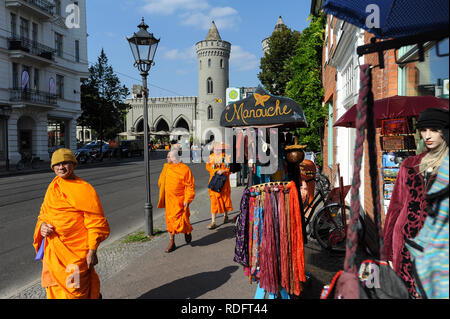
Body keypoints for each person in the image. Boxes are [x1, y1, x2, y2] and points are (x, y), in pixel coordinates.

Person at [383, 108, 449, 298]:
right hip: (404, 247)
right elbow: (395, 207)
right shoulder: (409, 164)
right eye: (424, 130)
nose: (427, 136)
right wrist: (387, 251)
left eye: (434, 130)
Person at [33, 148, 110, 299]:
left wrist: (92, 250)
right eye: (57, 164)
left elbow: (95, 222)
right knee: (55, 288)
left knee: (76, 292)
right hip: (54, 251)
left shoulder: (84, 188)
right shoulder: (53, 186)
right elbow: (44, 214)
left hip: (76, 253)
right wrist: (42, 227)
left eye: (65, 163)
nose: (61, 167)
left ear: (73, 165)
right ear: (53, 167)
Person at [158, 148, 195, 253]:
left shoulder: (184, 169)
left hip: (180, 201)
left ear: (175, 158)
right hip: (169, 200)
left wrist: (187, 199)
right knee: (169, 221)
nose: (167, 158)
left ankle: (187, 231)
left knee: (183, 220)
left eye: (168, 156)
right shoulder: (166, 168)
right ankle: (172, 242)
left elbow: (190, 186)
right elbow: (160, 182)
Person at [206, 142, 233, 229]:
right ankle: (213, 221)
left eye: (218, 149)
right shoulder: (210, 157)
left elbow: (228, 168)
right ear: (213, 149)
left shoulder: (225, 157)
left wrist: (223, 171)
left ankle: (226, 216)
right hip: (214, 182)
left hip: (223, 183)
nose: (217, 150)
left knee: (225, 199)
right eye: (215, 149)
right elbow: (208, 167)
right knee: (214, 201)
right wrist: (214, 171)